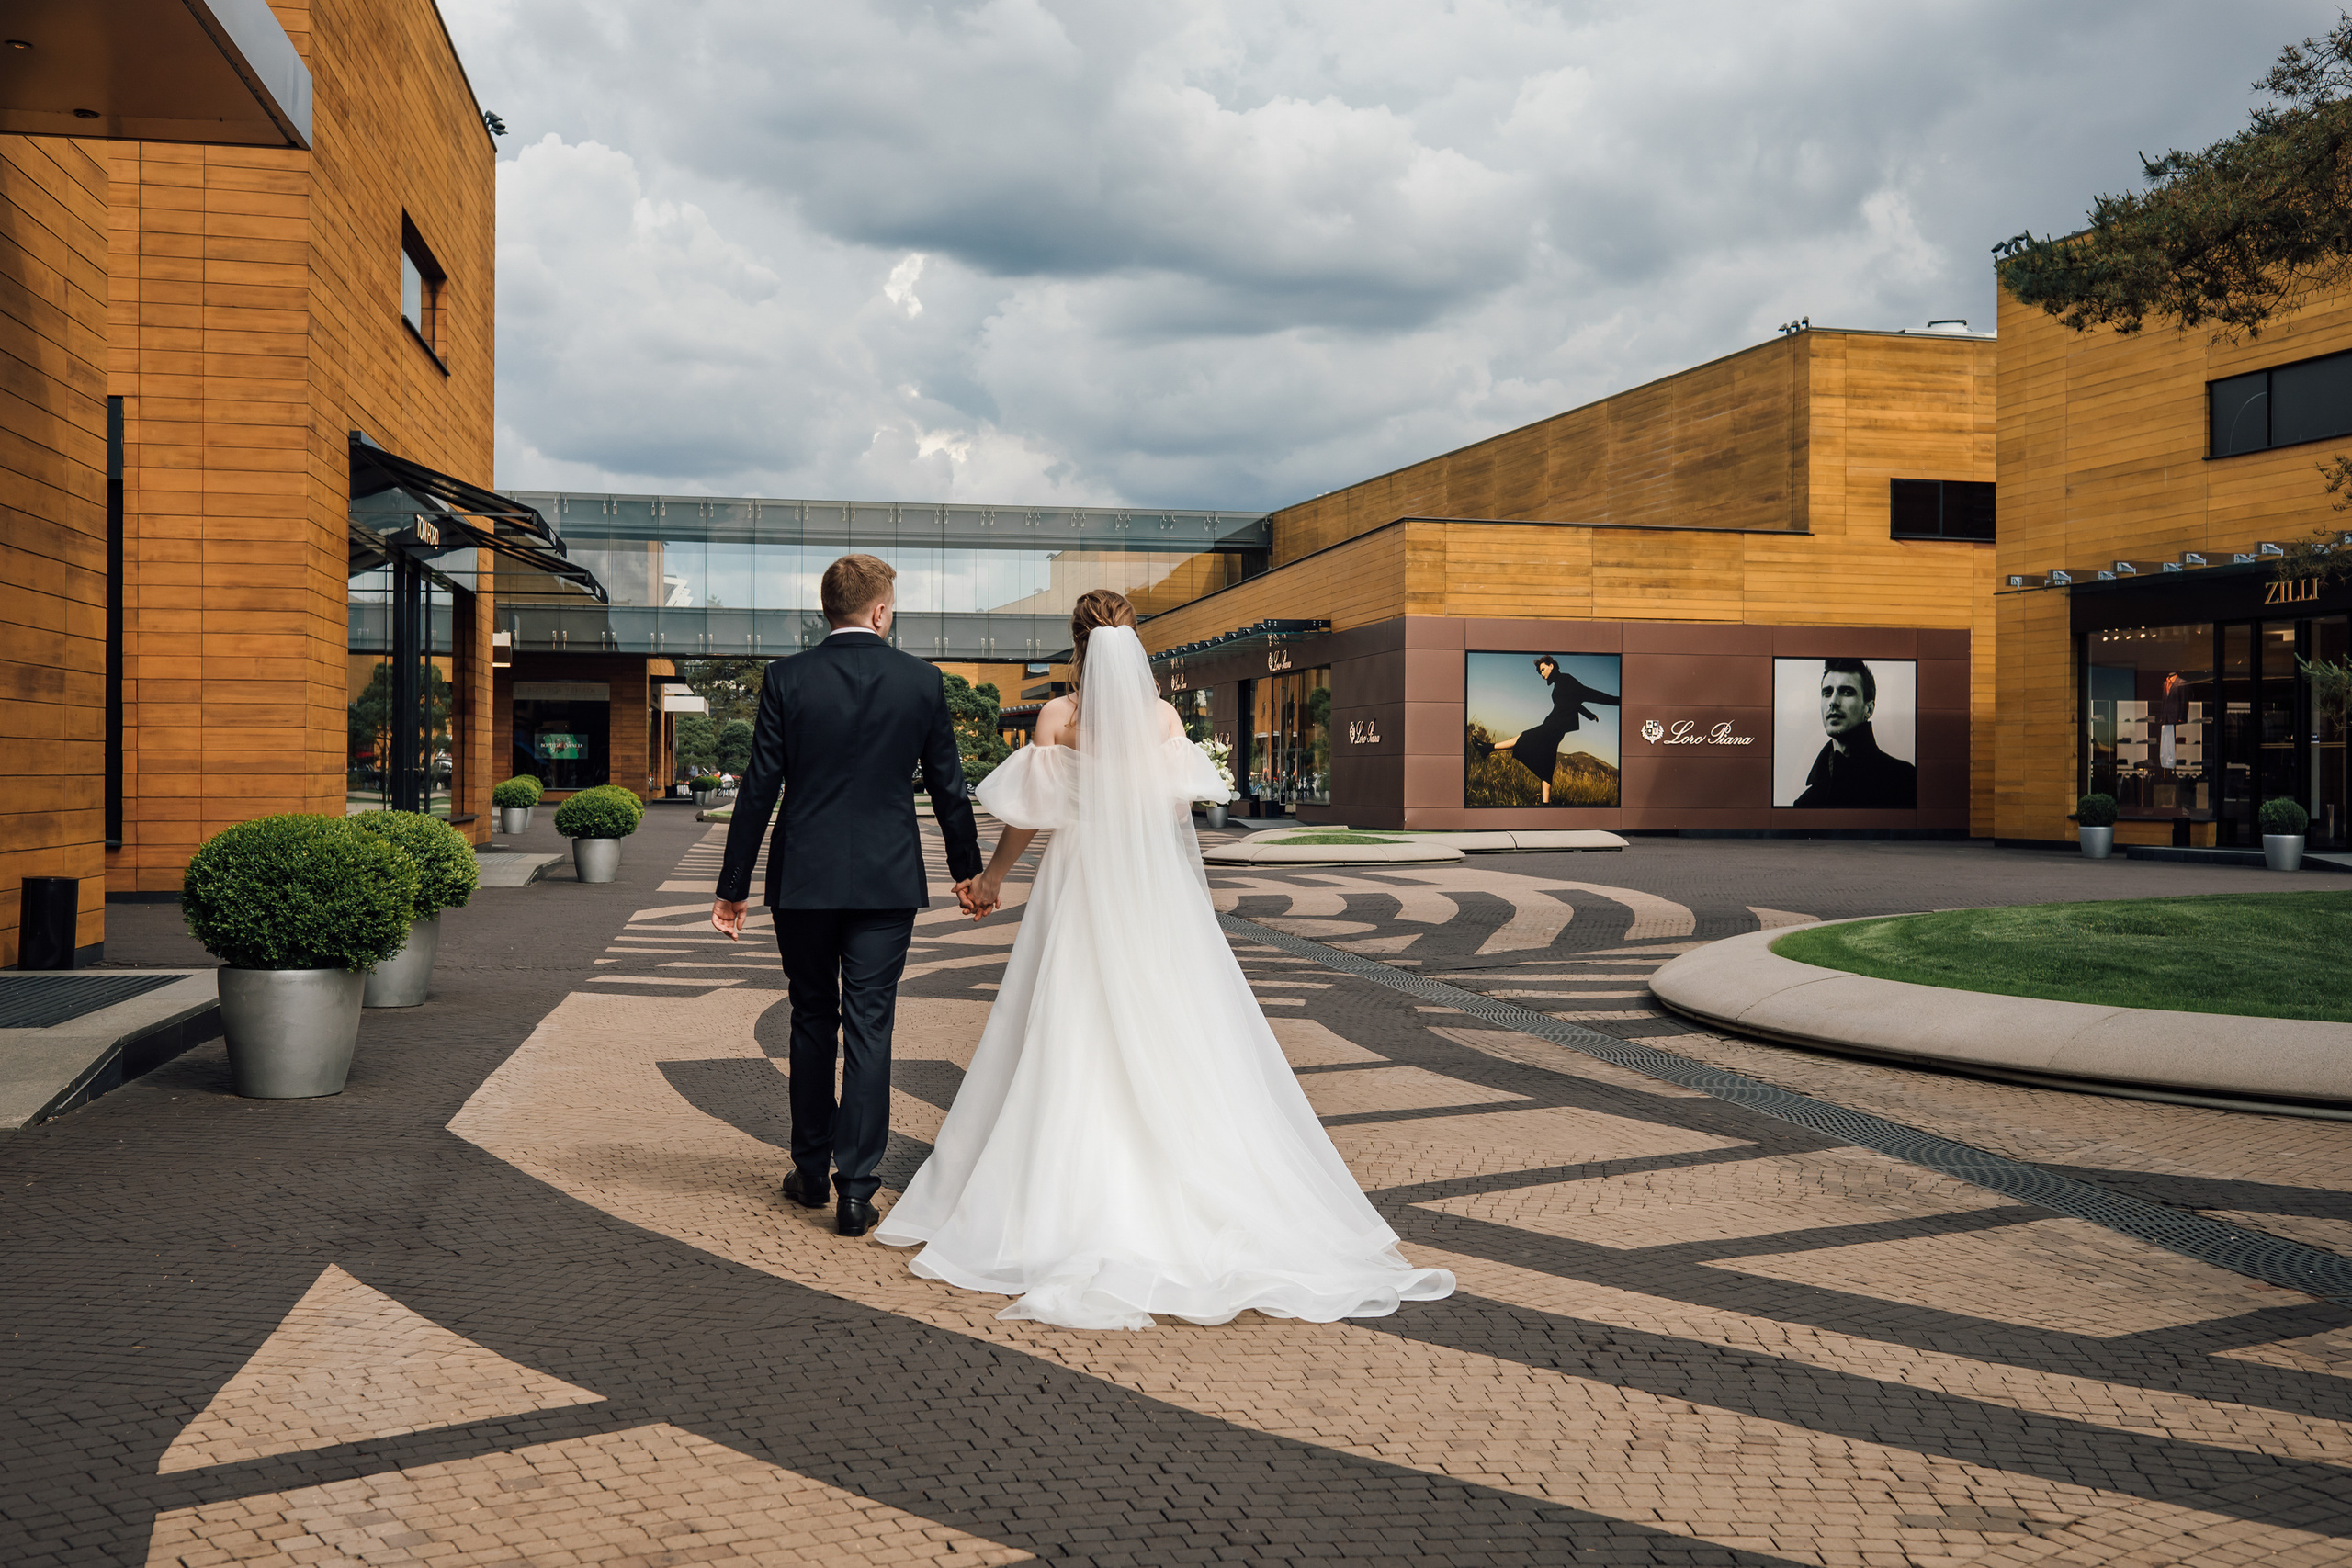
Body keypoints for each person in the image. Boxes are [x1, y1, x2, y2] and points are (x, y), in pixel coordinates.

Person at [874, 590, 1456, 1330]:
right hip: (1152, 898)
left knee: (1066, 1027)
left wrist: (990, 879)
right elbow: (1174, 822)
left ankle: (1056, 1194)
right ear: (1134, 641)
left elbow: (1031, 819)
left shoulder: (1059, 718)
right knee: (1176, 1029)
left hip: (1079, 886)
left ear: (1076, 643)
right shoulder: (1165, 721)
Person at [708, 554, 986, 1237]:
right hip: (888, 879)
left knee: (810, 1015)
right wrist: (968, 872)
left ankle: (808, 1168)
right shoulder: (921, 681)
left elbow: (759, 787)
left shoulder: (786, 678)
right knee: (870, 1022)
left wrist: (733, 885)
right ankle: (857, 1188)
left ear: (827, 610)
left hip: (803, 877)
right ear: (882, 611)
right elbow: (949, 786)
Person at [1474, 654, 1620, 804]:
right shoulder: (1558, 684)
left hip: (1554, 727)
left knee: (1524, 737)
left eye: (1543, 670)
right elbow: (1574, 703)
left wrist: (1618, 701)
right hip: (1555, 728)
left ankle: (1488, 748)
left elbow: (1588, 693)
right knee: (1547, 764)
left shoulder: (1566, 679)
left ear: (1552, 666)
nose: (1542, 674)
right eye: (1540, 672)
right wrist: (1590, 715)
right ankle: (1545, 804)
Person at [1792, 658, 1917, 808]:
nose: (1833, 701)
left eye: (1847, 692)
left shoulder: (1903, 779)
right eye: (1827, 692)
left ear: (1869, 708)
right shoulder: (1806, 803)